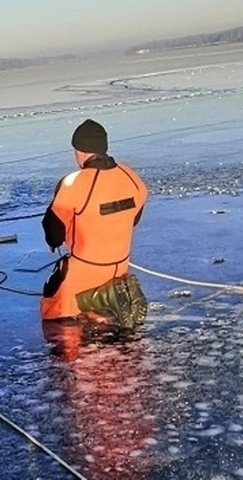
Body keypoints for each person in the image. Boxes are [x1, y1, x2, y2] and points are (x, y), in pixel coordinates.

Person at [40, 119, 148, 328]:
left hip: (85, 269)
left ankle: (95, 302)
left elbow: (53, 232)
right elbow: (134, 219)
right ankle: (105, 300)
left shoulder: (74, 183)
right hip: (120, 265)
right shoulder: (132, 178)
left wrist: (56, 242)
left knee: (52, 312)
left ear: (80, 151)